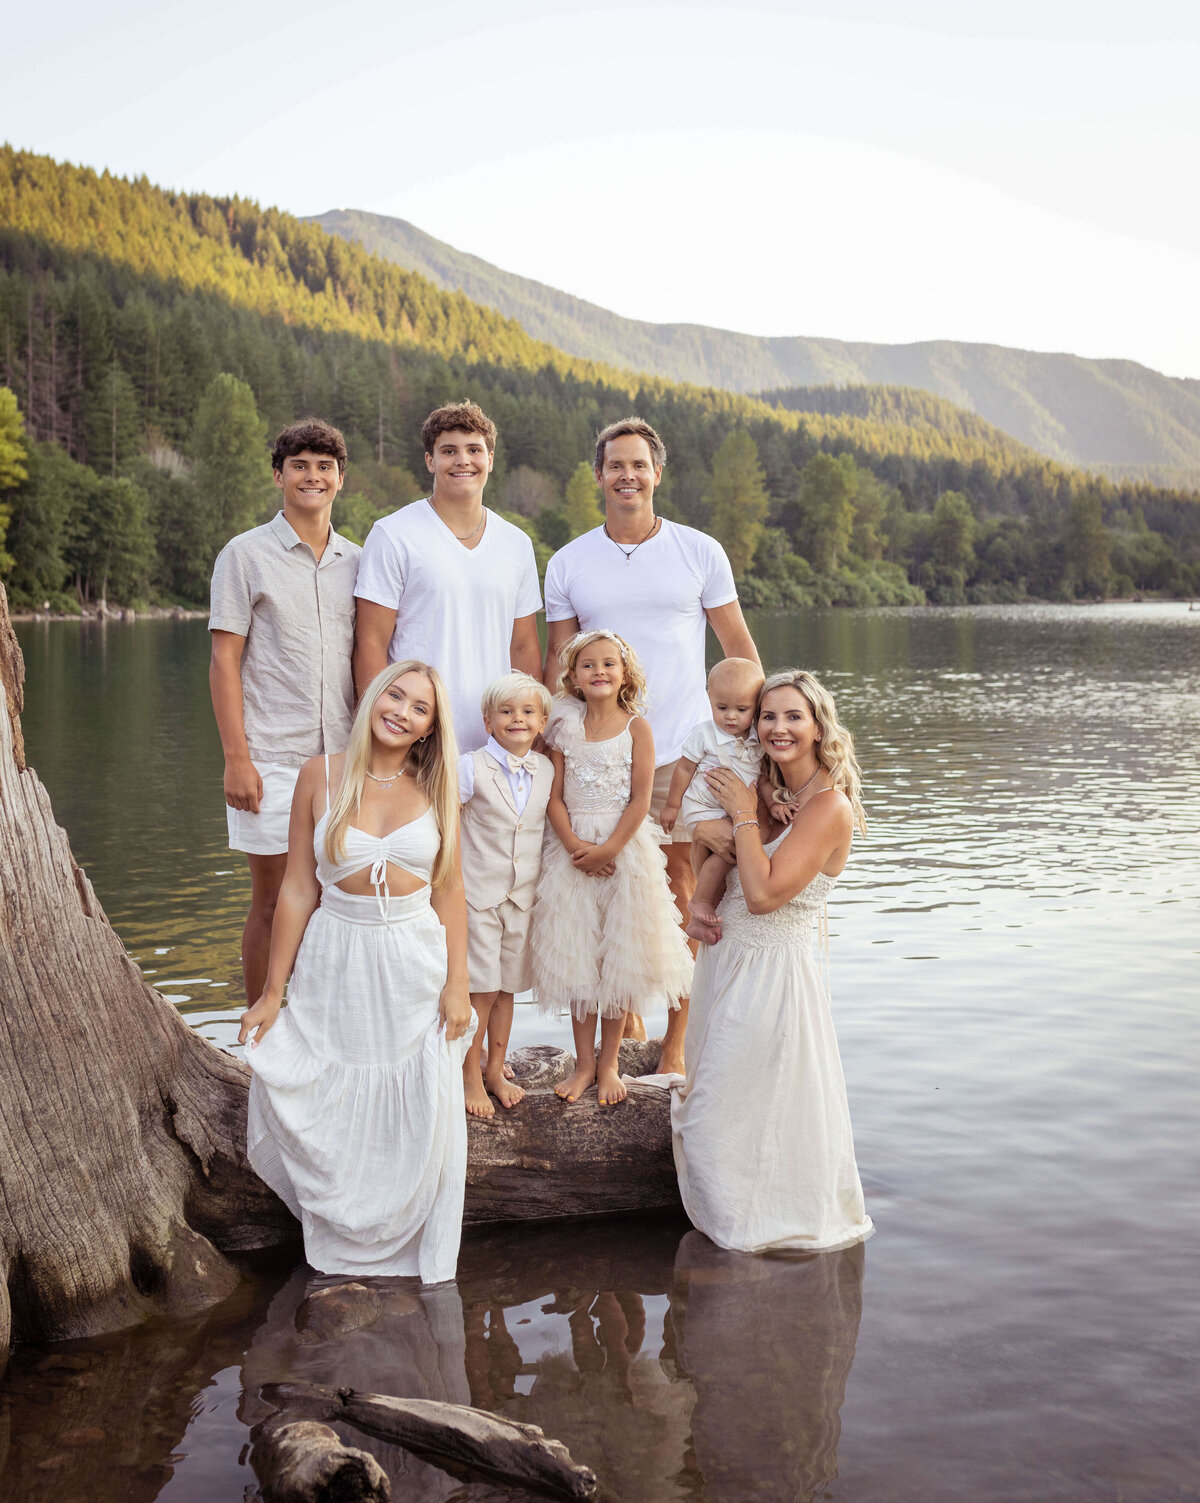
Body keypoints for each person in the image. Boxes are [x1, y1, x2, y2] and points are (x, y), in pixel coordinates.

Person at [237, 660, 474, 1283]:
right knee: (331, 1089)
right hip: (336, 955)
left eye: (419, 707)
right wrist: (271, 993)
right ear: (373, 696)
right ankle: (343, 1228)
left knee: (414, 1093)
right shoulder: (322, 774)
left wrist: (458, 984)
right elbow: (294, 890)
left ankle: (400, 1234)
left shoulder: (438, 786)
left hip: (412, 957)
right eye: (394, 694)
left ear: (429, 727)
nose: (401, 710)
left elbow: (450, 892)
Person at [542, 417, 759, 1075]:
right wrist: (553, 747)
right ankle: (621, 1021)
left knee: (685, 891)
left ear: (657, 473)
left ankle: (676, 1042)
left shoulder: (699, 551)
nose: (628, 476)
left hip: (683, 755)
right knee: (605, 892)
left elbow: (740, 653)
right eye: (616, 465)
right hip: (598, 758)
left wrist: (753, 744)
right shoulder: (569, 561)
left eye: (640, 465)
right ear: (599, 474)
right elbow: (560, 663)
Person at [671, 669, 874, 1253]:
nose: (777, 728)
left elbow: (762, 898)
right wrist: (721, 823)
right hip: (724, 964)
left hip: (771, 980)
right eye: (768, 716)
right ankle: (732, 1226)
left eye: (793, 717)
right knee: (729, 1106)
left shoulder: (827, 806)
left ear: (817, 728)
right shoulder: (763, 787)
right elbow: (704, 843)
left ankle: (762, 1230)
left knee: (724, 1114)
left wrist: (739, 814)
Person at [209, 417, 360, 1004]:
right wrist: (236, 759)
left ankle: (317, 1034)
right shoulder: (244, 555)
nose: (312, 476)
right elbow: (225, 662)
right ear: (279, 476)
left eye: (325, 466)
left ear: (340, 479)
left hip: (343, 761)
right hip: (270, 757)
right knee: (271, 900)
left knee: (331, 901)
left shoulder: (359, 559)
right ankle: (260, 1037)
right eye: (300, 465)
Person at [532, 630, 693, 1106]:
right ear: (574, 678)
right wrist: (576, 845)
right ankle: (583, 1065)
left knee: (618, 961)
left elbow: (641, 799)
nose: (599, 671)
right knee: (580, 959)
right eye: (588, 665)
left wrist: (610, 850)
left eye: (609, 663)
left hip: (624, 852)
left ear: (624, 673)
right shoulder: (564, 728)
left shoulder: (637, 728)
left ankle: (610, 1067)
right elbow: (554, 797)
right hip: (572, 852)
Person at [353, 401, 542, 752]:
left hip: (496, 747)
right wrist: (380, 737)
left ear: (490, 459)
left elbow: (524, 646)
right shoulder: (393, 534)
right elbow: (370, 644)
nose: (463, 460)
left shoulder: (517, 543)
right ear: (430, 461)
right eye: (449, 451)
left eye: (474, 450)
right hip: (416, 741)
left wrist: (528, 735)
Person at [457, 671, 553, 1119]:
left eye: (528, 711)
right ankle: (469, 1074)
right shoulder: (469, 766)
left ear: (543, 721)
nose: (518, 719)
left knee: (509, 987)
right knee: (481, 990)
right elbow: (444, 824)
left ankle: (496, 1067)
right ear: (488, 721)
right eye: (507, 712)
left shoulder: (546, 769)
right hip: (477, 896)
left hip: (522, 898)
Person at [659, 656, 793, 944]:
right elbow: (684, 768)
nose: (730, 717)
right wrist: (672, 805)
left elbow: (764, 780)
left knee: (737, 854)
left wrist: (774, 804)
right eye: (722, 708)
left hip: (732, 811)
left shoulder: (759, 738)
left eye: (741, 709)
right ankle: (700, 901)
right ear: (710, 699)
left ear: (756, 706)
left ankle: (705, 916)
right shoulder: (705, 733)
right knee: (728, 852)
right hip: (703, 807)